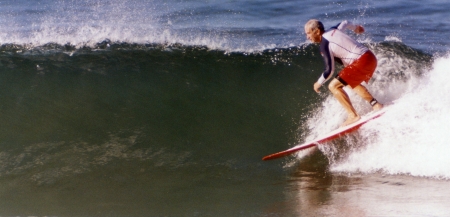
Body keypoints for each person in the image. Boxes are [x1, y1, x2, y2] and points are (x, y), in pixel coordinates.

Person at [304, 19, 383, 127]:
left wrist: (318, 83)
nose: (307, 37)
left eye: (308, 33)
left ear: (317, 31)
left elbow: (329, 70)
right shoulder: (334, 30)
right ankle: (376, 104)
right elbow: (345, 22)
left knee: (333, 86)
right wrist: (356, 28)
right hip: (370, 57)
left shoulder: (324, 44)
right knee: (351, 83)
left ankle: (353, 116)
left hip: (361, 61)